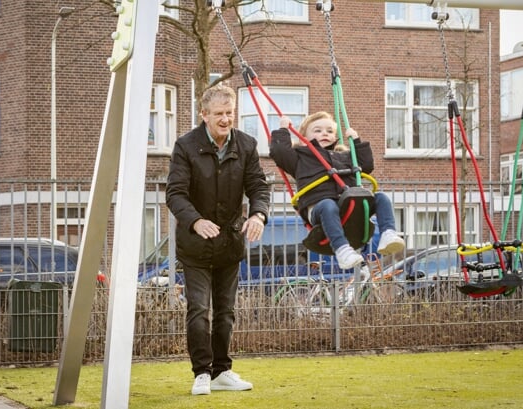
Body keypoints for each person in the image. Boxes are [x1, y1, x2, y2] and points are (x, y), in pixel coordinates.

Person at [166, 83, 270, 396]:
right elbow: (175, 193)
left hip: (229, 244)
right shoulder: (186, 146)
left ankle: (222, 371)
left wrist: (258, 215)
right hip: (195, 246)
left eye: (230, 113)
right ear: (204, 115)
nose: (225, 119)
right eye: (219, 114)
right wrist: (195, 221)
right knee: (199, 310)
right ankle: (201, 373)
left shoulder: (246, 145)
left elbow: (258, 187)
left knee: (226, 312)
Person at [269, 112, 404, 269]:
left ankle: (388, 233)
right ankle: (342, 250)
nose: (324, 133)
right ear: (302, 138)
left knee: (381, 197)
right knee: (328, 205)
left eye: (329, 131)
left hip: (350, 205)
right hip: (319, 208)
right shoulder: (300, 158)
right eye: (317, 130)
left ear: (335, 137)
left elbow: (366, 165)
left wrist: (357, 142)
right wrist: (283, 129)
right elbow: (279, 153)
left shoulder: (345, 156)